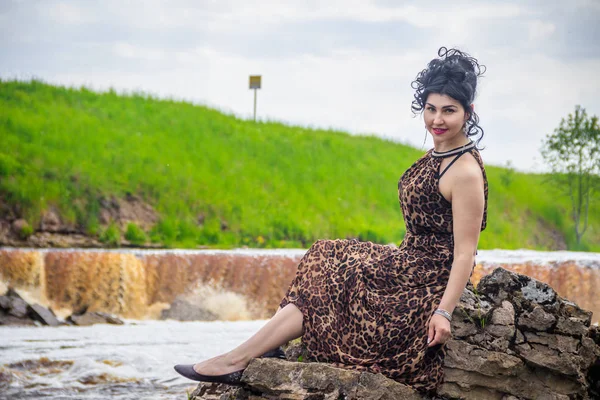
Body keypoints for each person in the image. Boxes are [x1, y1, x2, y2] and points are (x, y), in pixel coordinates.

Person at [174, 46, 488, 395]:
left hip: (426, 282)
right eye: (431, 109)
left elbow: (465, 253)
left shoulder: (465, 173)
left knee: (339, 278)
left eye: (449, 111)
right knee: (327, 255)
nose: (437, 120)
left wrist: (443, 313)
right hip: (408, 262)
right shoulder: (439, 154)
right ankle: (250, 353)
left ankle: (237, 359)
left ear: (468, 111)